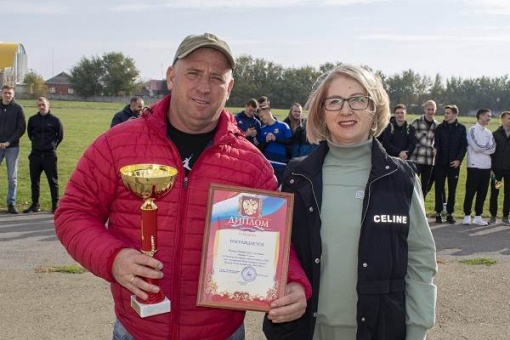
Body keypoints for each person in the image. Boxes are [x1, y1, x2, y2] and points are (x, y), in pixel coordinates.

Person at [54, 32, 310, 340]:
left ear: (229, 89)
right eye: (193, 73)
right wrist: (113, 258)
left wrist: (294, 282)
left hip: (221, 333)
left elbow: (276, 241)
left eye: (216, 77)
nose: (204, 86)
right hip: (137, 330)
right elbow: (73, 213)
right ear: (172, 77)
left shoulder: (251, 164)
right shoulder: (117, 144)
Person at [263, 64, 437, 340]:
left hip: (378, 330)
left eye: (358, 99)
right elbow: (275, 251)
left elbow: (420, 259)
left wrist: (417, 329)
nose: (346, 110)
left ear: (375, 107)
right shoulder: (296, 176)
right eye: (335, 101)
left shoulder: (401, 178)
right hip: (306, 330)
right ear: (321, 111)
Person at [23, 97, 64, 214]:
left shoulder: (55, 120)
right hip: (35, 155)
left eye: (43, 105)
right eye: (39, 105)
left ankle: (55, 205)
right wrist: (37, 145)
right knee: (34, 181)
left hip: (49, 155)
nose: (41, 107)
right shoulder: (32, 120)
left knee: (53, 181)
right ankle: (35, 204)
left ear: (48, 105)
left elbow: (60, 136)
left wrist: (52, 146)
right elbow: (30, 134)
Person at [432, 104, 467, 224]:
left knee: (452, 190)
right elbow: (436, 143)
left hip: (454, 164)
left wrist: (458, 160)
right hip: (440, 164)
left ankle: (450, 214)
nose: (445, 115)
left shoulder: (461, 128)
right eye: (445, 113)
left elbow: (463, 146)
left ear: (454, 114)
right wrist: (435, 149)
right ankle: (438, 213)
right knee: (439, 188)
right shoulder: (440, 128)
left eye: (448, 113)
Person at [462, 109, 496, 225]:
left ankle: (478, 216)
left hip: (486, 167)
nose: (489, 118)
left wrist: (483, 149)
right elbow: (475, 147)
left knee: (482, 193)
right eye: (488, 116)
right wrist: (486, 148)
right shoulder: (472, 130)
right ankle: (467, 215)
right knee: (470, 192)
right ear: (481, 116)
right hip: (474, 166)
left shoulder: (489, 133)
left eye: (490, 116)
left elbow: (493, 148)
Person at [0, 84, 26, 214]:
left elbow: (21, 128)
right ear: (1, 93)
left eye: (10, 93)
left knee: (12, 177)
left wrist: (8, 142)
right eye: (5, 92)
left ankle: (11, 203)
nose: (7, 95)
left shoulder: (18, 109)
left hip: (12, 147)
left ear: (13, 94)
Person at [409, 100, 439, 199]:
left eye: (432, 109)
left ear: (435, 110)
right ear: (424, 109)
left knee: (425, 188)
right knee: (412, 185)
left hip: (429, 160)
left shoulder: (437, 126)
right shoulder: (416, 122)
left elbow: (438, 142)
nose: (430, 111)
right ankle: (411, 209)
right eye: (428, 109)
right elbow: (411, 139)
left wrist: (436, 148)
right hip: (416, 158)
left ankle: (421, 209)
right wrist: (432, 145)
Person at [257, 106, 293, 185]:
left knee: (278, 186)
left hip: (280, 163)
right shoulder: (262, 129)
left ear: (268, 112)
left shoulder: (283, 126)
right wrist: (266, 141)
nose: (261, 119)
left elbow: (290, 141)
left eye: (261, 116)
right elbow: (259, 149)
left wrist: (275, 139)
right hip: (267, 163)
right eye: (259, 117)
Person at [489, 110, 510, 225]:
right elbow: (491, 153)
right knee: (495, 192)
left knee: (508, 193)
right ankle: (493, 216)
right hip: (497, 170)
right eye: (509, 118)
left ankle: (506, 216)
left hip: (509, 171)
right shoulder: (495, 134)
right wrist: (491, 168)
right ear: (502, 119)